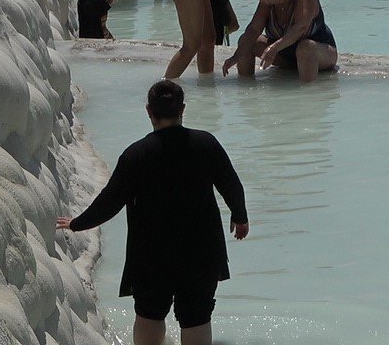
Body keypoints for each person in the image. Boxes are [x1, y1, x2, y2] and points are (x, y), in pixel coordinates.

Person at [56, 80, 248, 345]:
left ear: (149, 111)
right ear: (182, 108)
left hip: (151, 253)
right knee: (196, 316)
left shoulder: (136, 155)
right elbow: (231, 184)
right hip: (200, 251)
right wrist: (240, 217)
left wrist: (77, 223)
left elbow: (111, 200)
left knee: (149, 313)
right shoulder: (206, 144)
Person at [223, 0, 338, 83]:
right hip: (284, 55)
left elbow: (300, 28)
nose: (275, 4)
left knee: (306, 47)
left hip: (318, 53)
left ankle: (307, 92)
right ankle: (245, 86)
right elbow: (254, 29)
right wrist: (236, 56)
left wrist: (274, 48)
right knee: (247, 41)